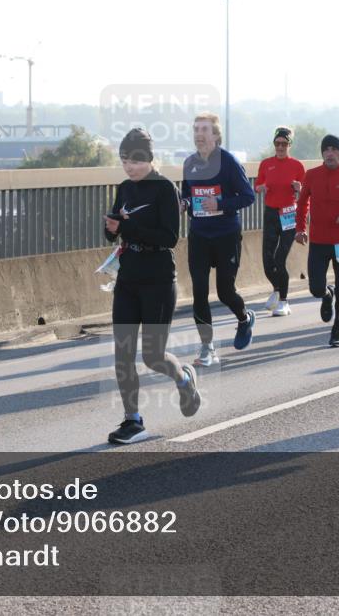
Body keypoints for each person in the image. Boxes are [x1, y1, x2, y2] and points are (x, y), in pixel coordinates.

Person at [103, 128, 201, 444]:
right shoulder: (124, 188)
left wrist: (129, 226)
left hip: (158, 278)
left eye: (134, 160)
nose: (129, 167)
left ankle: (183, 377)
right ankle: (133, 420)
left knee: (152, 355)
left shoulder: (164, 190)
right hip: (128, 276)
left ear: (148, 158)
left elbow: (169, 237)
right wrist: (111, 229)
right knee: (123, 352)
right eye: (124, 161)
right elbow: (116, 232)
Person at [181, 113, 257, 366]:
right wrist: (185, 204)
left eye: (204, 129)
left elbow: (247, 196)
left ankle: (244, 318)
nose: (198, 134)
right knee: (199, 293)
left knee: (225, 292)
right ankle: (207, 347)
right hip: (200, 236)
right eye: (195, 130)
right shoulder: (190, 163)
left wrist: (221, 203)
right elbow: (188, 196)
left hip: (226, 235)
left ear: (215, 135)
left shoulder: (228, 161)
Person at [295, 135, 339, 346]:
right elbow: (301, 205)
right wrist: (300, 229)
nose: (329, 153)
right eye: (326, 149)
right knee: (316, 288)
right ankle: (327, 295)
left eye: (334, 149)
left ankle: (338, 330)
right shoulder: (312, 175)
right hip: (318, 240)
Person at [254, 126, 306, 316]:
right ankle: (276, 290)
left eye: (284, 144)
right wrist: (260, 188)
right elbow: (257, 184)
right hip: (270, 214)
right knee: (267, 261)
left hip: (289, 215)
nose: (280, 147)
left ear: (289, 145)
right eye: (277, 144)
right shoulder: (266, 164)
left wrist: (300, 187)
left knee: (279, 258)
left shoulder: (297, 166)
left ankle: (284, 301)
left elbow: (306, 192)